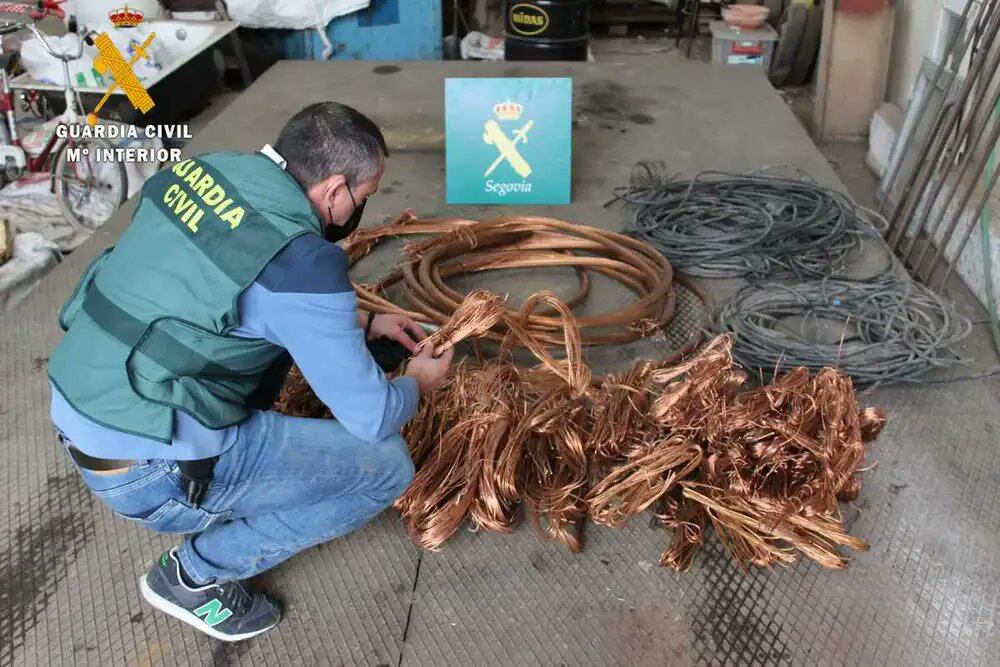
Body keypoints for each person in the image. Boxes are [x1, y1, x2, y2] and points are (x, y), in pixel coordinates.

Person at [47, 102, 453, 642]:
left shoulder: (204, 171)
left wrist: (366, 320)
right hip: (149, 468)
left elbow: (210, 289)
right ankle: (195, 576)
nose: (362, 207)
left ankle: (216, 500)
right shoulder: (303, 265)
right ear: (335, 190)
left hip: (83, 406)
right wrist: (420, 382)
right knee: (386, 466)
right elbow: (371, 416)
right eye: (365, 195)